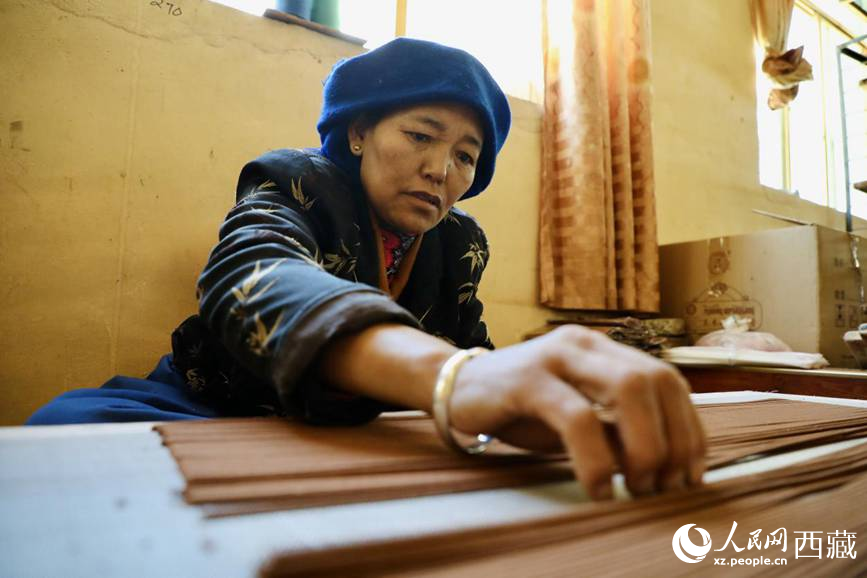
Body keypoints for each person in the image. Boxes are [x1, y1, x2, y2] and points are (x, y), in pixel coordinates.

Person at [28, 38, 706, 500]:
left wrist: (523, 401)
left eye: (467, 156)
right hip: (211, 406)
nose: (442, 169)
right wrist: (453, 378)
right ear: (357, 134)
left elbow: (473, 356)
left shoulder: (457, 245)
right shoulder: (293, 183)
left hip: (355, 434)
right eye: (420, 135)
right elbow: (248, 272)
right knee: (62, 439)